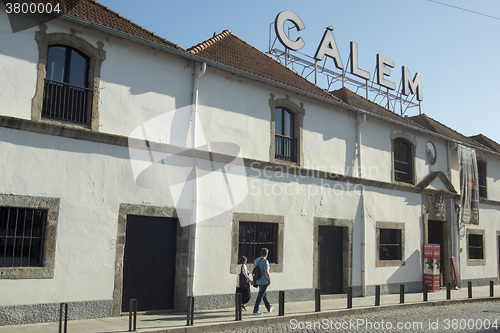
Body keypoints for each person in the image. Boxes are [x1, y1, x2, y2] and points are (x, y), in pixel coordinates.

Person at [253, 248, 273, 315]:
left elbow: (254, 271)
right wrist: (269, 279)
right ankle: (256, 309)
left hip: (258, 280)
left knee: (263, 294)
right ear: (267, 254)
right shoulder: (265, 261)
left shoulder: (256, 260)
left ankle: (268, 307)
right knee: (260, 295)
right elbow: (266, 271)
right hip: (264, 280)